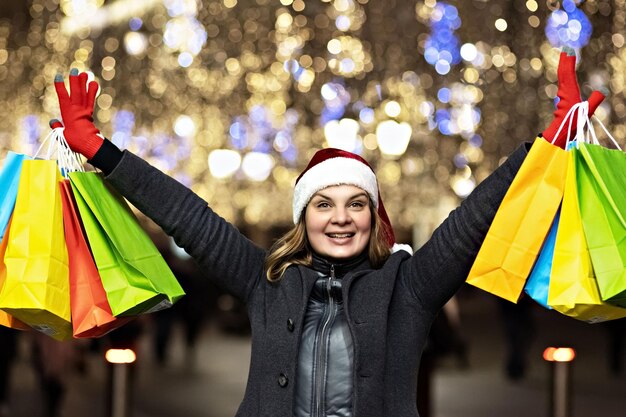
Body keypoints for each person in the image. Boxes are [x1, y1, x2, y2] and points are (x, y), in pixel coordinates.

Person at [49, 47, 604, 416]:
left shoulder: (408, 287)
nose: (341, 217)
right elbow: (188, 216)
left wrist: (547, 144)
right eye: (324, 204)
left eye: (356, 203)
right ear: (303, 217)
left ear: (373, 214)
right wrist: (103, 152)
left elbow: (474, 221)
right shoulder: (265, 279)